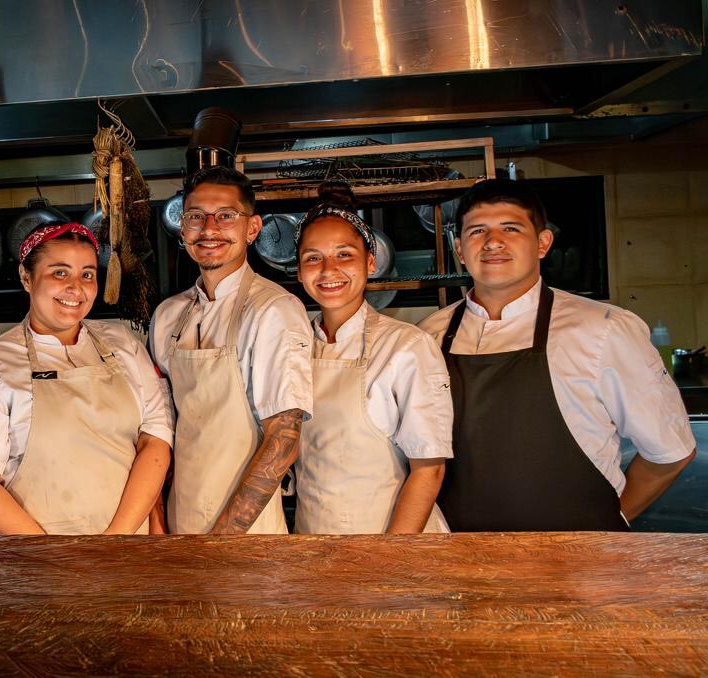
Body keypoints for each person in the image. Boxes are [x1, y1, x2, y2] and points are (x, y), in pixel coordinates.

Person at [418, 179, 696, 531]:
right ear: (460, 249)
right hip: (461, 563)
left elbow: (670, 452)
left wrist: (609, 520)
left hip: (582, 568)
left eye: (511, 228)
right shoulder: (429, 336)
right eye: (477, 232)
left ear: (543, 243)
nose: (492, 243)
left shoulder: (604, 329)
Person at [0, 222, 173, 535]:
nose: (76, 288)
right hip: (34, 563)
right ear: (26, 277)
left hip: (125, 550)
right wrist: (54, 559)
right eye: (59, 272)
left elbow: (155, 440)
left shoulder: (123, 346)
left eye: (88, 274)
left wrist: (116, 540)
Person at [149, 166, 313, 534]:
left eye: (225, 216)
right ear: (182, 228)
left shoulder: (274, 310)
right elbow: (159, 429)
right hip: (180, 519)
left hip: (245, 535)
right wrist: (157, 520)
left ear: (252, 229)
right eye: (196, 217)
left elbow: (283, 437)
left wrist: (223, 542)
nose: (209, 230)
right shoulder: (168, 316)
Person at [292, 182, 450, 534]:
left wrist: (388, 561)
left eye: (344, 254)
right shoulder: (293, 347)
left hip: (395, 544)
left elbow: (429, 469)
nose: (328, 269)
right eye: (313, 258)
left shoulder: (406, 346)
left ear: (371, 261)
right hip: (313, 540)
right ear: (300, 272)